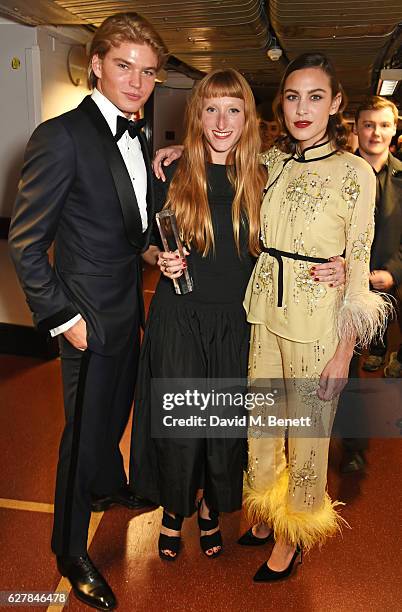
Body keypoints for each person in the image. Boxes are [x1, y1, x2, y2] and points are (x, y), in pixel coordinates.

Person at [133, 68, 345, 563]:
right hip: (179, 317)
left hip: (239, 319)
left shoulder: (266, 173)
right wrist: (158, 261)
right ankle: (173, 511)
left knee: (221, 427)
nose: (221, 120)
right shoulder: (170, 171)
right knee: (181, 424)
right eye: (210, 109)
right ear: (197, 115)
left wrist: (342, 263)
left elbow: (312, 223)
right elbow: (144, 244)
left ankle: (207, 508)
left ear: (248, 116)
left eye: (233, 109)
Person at [8, 12, 167, 610]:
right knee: (81, 436)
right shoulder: (61, 135)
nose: (136, 81)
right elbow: (26, 243)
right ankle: (70, 549)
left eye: (148, 72)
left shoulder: (139, 133)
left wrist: (155, 250)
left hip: (128, 308)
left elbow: (133, 226)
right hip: (85, 322)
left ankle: (108, 487)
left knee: (112, 418)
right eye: (124, 66)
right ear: (96, 64)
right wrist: (63, 319)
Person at [240, 53, 391, 582]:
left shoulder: (356, 173)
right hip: (264, 313)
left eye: (316, 96)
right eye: (292, 97)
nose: (302, 109)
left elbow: (361, 258)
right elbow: (218, 162)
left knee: (306, 435)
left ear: (336, 104)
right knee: (263, 426)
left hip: (317, 324)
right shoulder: (274, 162)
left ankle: (292, 534)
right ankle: (264, 510)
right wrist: (175, 150)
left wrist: (345, 353)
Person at [340, 95, 402, 472]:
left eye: (383, 125)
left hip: (384, 289)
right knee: (345, 369)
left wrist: (393, 271)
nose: (375, 132)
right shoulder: (339, 172)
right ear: (356, 128)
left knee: (365, 368)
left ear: (394, 130)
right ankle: (353, 446)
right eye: (368, 124)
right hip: (339, 286)